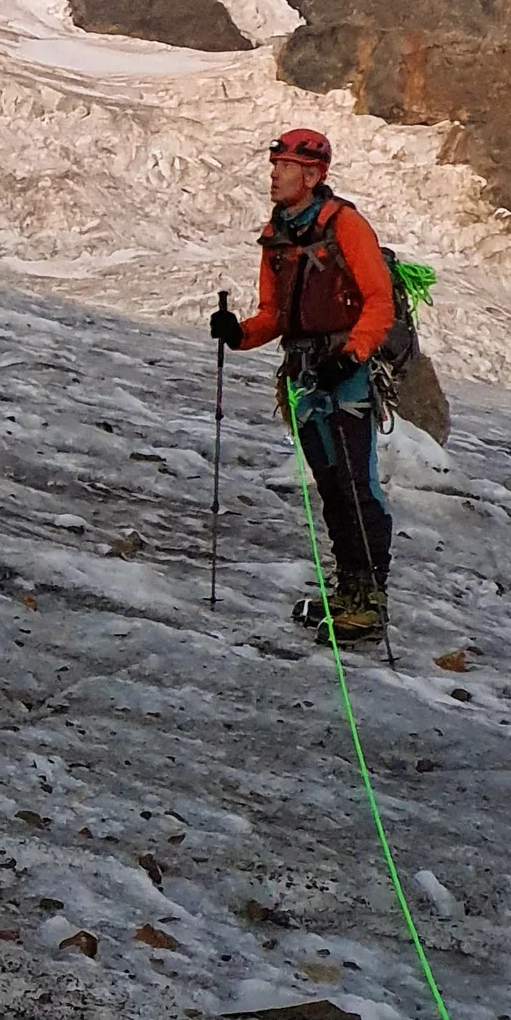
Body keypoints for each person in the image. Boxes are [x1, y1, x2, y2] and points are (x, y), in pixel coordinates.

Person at [211, 127, 395, 648]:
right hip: (305, 373)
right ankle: (351, 592)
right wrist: (240, 334)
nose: (274, 174)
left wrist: (352, 356)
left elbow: (378, 302)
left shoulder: (347, 227)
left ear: (312, 175)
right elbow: (275, 313)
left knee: (358, 485)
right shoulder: (279, 233)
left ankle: (371, 601)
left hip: (346, 374)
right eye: (277, 165)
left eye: (284, 166)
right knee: (333, 485)